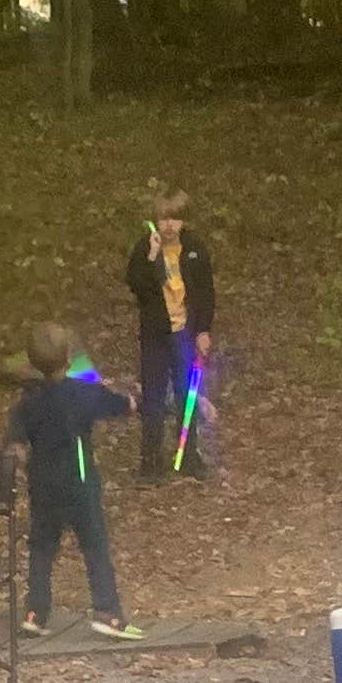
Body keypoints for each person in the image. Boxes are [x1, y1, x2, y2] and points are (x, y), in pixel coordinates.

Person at [2, 323, 141, 639]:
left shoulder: (28, 403)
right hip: (80, 483)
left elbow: (16, 445)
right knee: (94, 545)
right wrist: (134, 397)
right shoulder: (84, 392)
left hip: (43, 485)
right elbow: (124, 405)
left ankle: (35, 613)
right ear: (68, 358)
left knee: (41, 548)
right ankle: (108, 613)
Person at [119, 188, 216, 479]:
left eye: (176, 219)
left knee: (187, 394)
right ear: (155, 220)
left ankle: (188, 455)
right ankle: (150, 461)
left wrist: (203, 330)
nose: (170, 226)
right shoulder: (145, 248)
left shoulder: (194, 249)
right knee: (154, 396)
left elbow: (206, 292)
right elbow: (136, 286)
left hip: (184, 333)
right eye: (164, 219)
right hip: (156, 335)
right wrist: (150, 257)